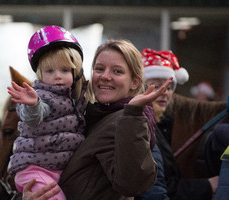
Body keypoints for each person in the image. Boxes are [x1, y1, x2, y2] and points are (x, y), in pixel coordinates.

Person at [57, 40, 173, 200]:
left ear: (135, 82)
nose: (105, 76)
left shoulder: (125, 120)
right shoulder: (97, 116)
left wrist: (133, 114)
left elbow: (132, 184)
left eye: (117, 71)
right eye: (99, 69)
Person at [7, 25, 89, 200]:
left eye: (65, 70)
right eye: (50, 71)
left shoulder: (76, 98)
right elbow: (34, 115)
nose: (58, 76)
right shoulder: (43, 96)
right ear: (40, 74)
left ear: (76, 72)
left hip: (58, 169)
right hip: (35, 170)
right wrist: (33, 104)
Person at [141, 48, 219, 200]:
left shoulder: (163, 126)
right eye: (156, 86)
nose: (165, 92)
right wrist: (207, 186)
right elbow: (164, 187)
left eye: (169, 87)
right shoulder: (145, 127)